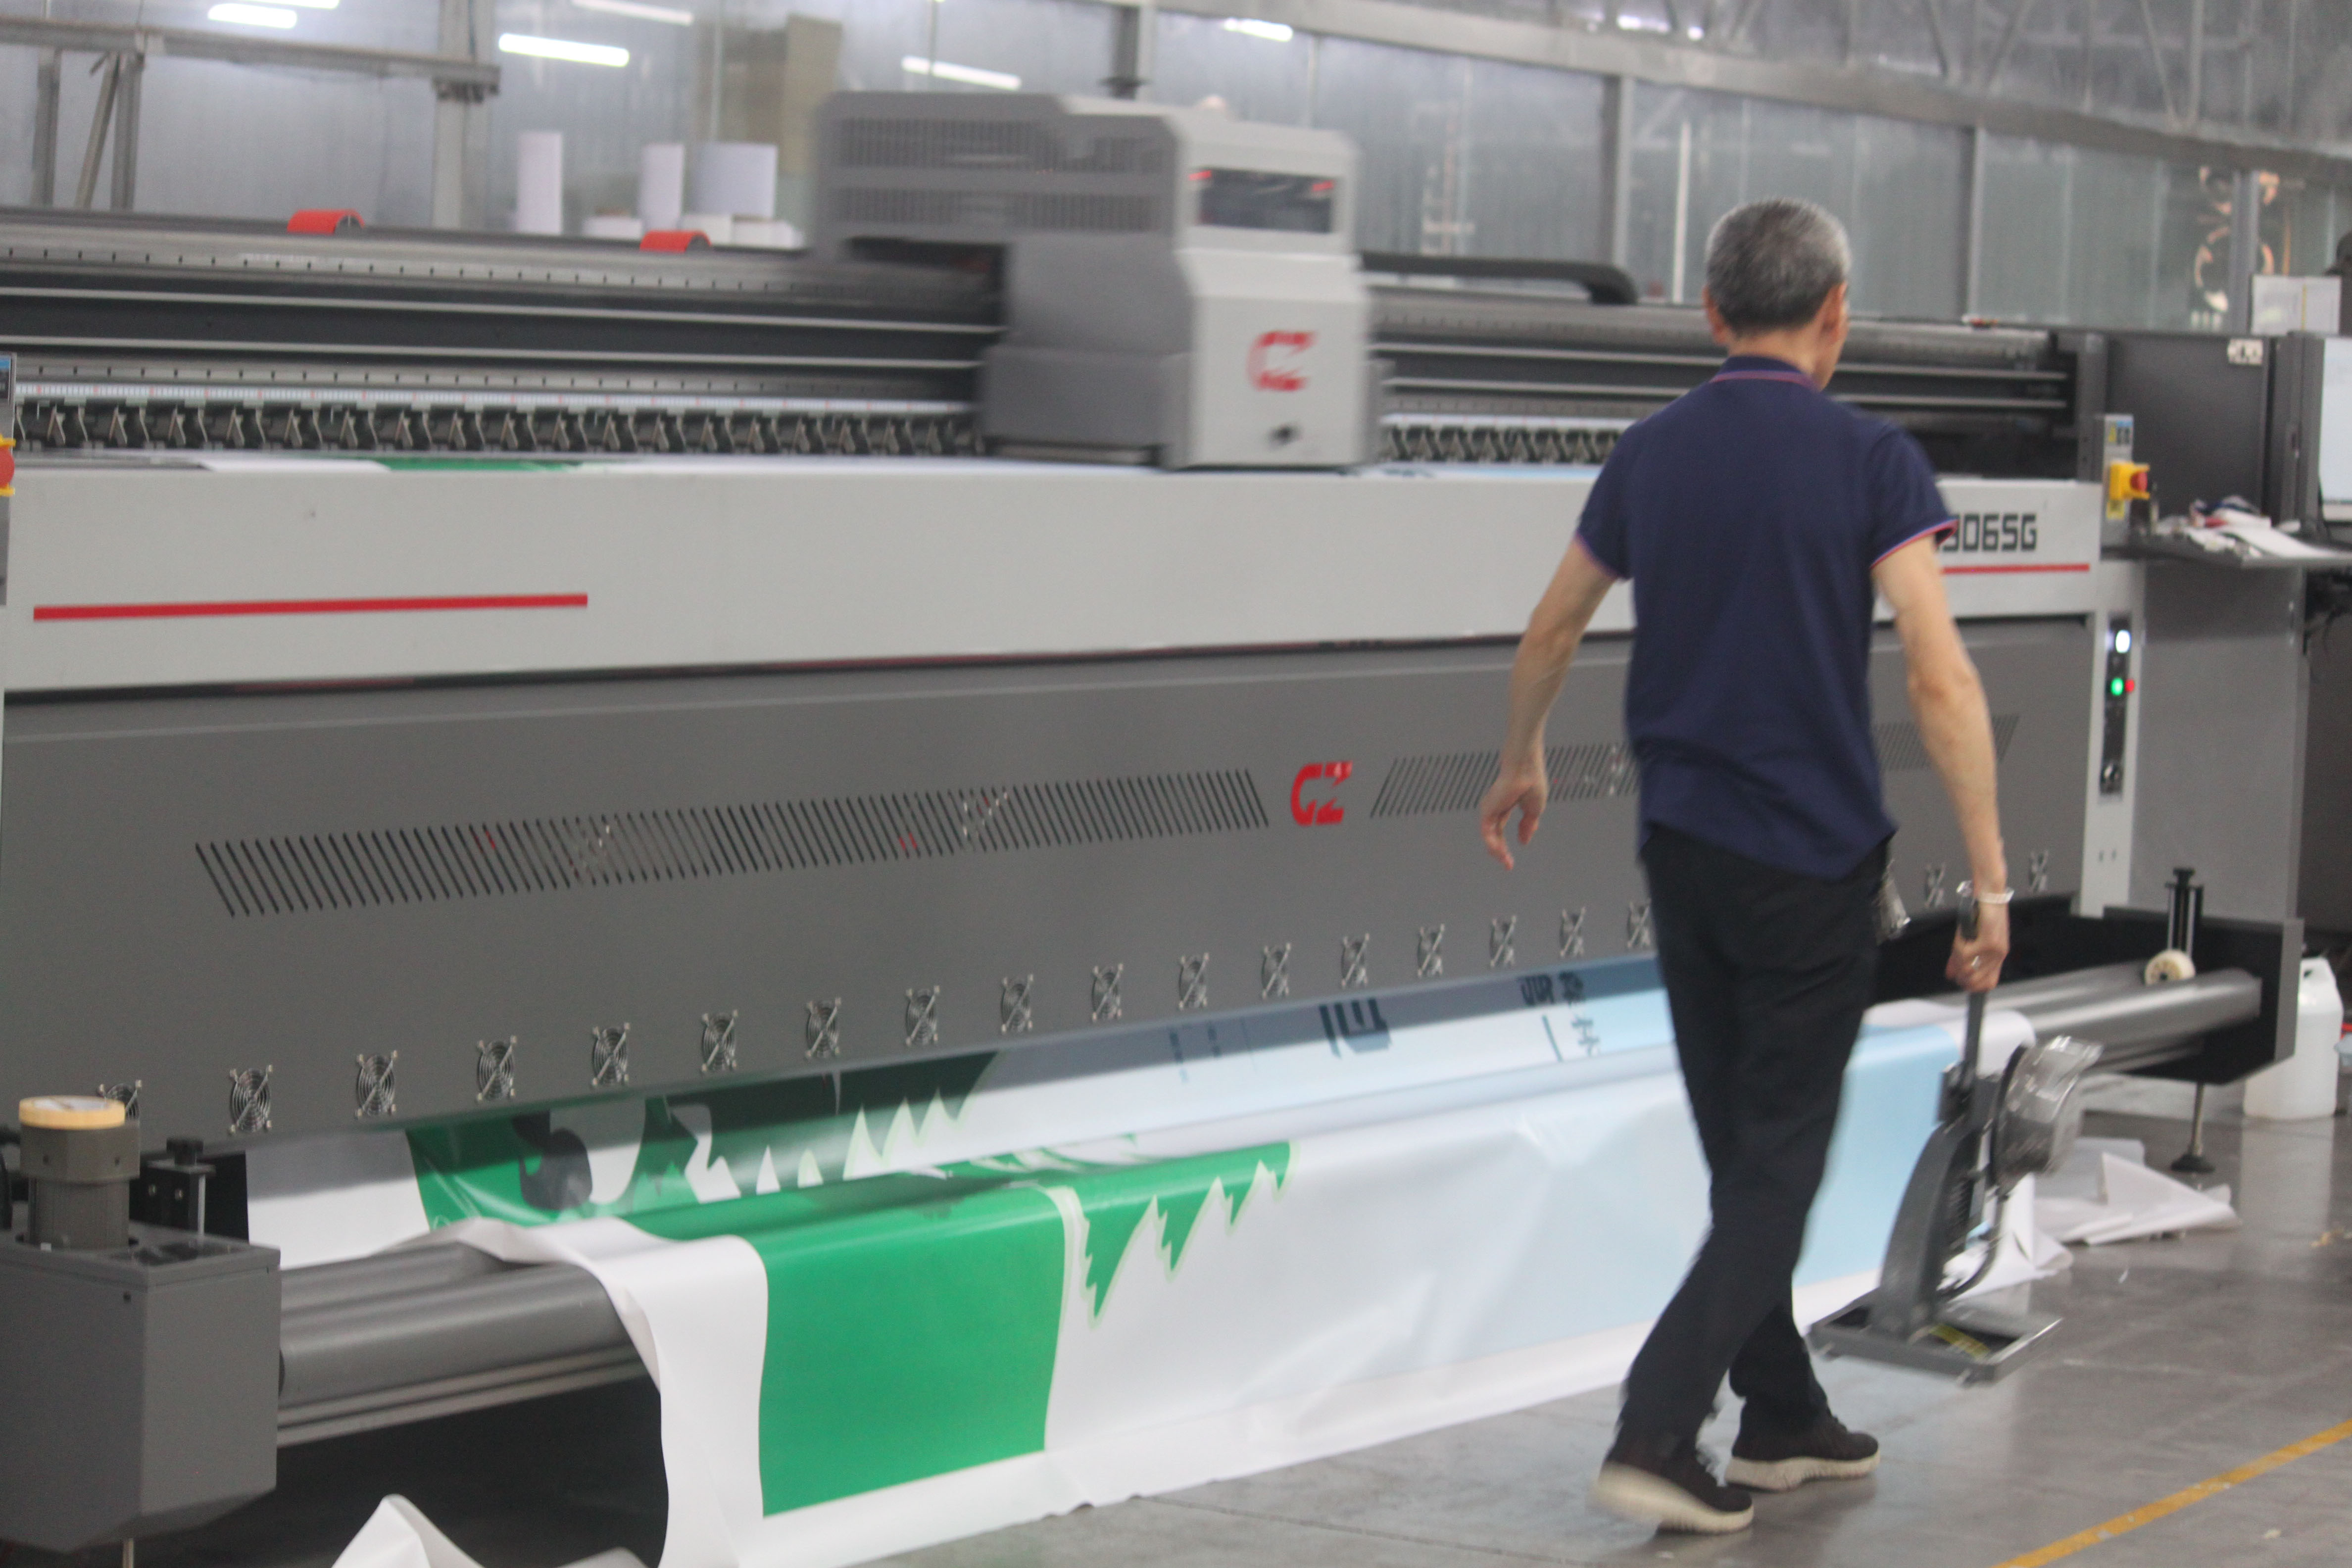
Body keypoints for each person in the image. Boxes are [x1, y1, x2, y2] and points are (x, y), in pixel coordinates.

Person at [1476, 197, 2012, 1535]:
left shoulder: (1650, 454)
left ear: (1713, 314)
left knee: (1742, 1153)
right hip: (1809, 863)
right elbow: (1939, 676)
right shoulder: (1873, 460)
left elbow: (1552, 629)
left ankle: (1781, 1415)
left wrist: (1522, 757)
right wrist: (1992, 882)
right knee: (1777, 1170)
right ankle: (1658, 1429)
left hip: (1685, 853)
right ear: (1835, 315)